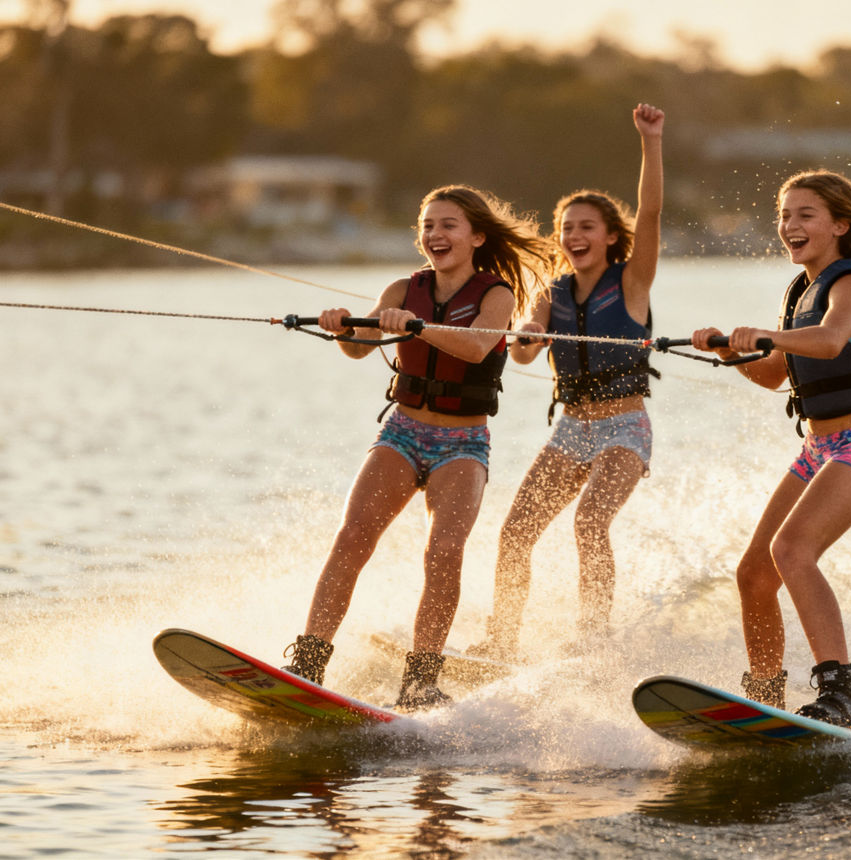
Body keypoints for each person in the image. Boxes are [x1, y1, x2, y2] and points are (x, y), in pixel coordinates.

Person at [280, 185, 553, 711]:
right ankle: (309, 661)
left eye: (448, 225)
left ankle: (421, 680)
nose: (435, 235)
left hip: (463, 443)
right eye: (428, 226)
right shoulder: (404, 288)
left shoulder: (497, 295)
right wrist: (343, 326)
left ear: (475, 236)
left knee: (444, 553)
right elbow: (359, 350)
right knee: (354, 535)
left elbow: (476, 347)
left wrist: (418, 327)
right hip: (403, 432)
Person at [691, 170, 851, 728]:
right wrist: (728, 351)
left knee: (792, 551)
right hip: (820, 447)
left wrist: (765, 334)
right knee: (754, 574)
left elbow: (831, 340)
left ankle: (842, 694)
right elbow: (772, 375)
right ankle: (764, 692)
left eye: (805, 215)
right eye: (784, 216)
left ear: (840, 225)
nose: (790, 225)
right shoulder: (801, 294)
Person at [473, 103, 665, 660]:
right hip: (571, 430)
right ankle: (502, 640)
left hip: (625, 428)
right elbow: (527, 358)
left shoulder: (632, 282)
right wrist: (530, 331)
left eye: (586, 227)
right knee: (514, 535)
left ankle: (593, 637)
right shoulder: (551, 295)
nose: (574, 235)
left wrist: (651, 142)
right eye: (567, 229)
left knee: (590, 521)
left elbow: (650, 214)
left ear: (609, 237)